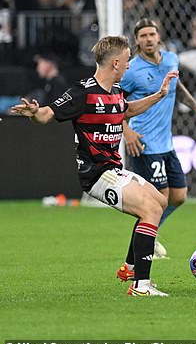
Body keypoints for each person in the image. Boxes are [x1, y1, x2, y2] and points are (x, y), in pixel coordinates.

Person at [11, 35, 177, 297]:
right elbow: (47, 115)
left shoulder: (116, 92)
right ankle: (141, 286)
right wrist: (34, 112)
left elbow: (127, 110)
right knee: (149, 209)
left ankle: (130, 267)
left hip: (113, 169)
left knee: (160, 201)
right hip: (97, 175)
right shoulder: (82, 92)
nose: (129, 66)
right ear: (115, 63)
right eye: (126, 61)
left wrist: (159, 95)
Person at [120, 18, 196, 262]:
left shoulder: (171, 59)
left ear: (158, 36)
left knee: (178, 196)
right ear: (136, 41)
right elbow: (113, 103)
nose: (148, 39)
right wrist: (126, 131)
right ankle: (133, 259)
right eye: (143, 35)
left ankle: (150, 232)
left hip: (166, 143)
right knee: (155, 202)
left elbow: (176, 88)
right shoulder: (131, 70)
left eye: (152, 34)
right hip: (143, 143)